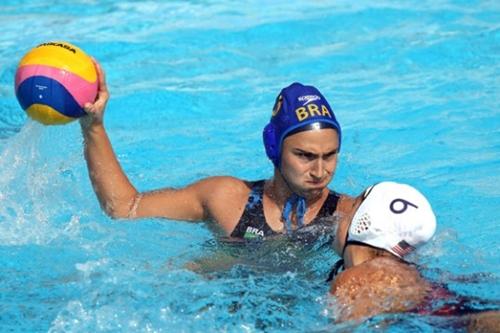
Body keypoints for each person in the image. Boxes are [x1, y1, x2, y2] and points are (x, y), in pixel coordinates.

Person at [80, 60, 357, 241]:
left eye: (330, 155)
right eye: (305, 156)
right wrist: (94, 127)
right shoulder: (227, 199)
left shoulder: (348, 215)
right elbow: (124, 207)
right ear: (273, 147)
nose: (321, 171)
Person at [328, 181, 499, 331]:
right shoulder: (403, 271)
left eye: (350, 209)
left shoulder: (356, 278)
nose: (338, 216)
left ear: (361, 223)